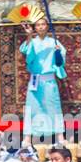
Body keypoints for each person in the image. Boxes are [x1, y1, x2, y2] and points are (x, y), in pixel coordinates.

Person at [20, 14, 67, 142]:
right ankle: (28, 137)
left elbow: (60, 61)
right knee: (33, 107)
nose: (40, 27)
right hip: (35, 79)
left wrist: (58, 52)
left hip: (49, 79)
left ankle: (59, 135)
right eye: (38, 25)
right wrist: (29, 35)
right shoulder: (32, 41)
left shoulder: (53, 42)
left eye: (43, 24)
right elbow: (26, 52)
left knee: (54, 107)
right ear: (35, 27)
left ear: (47, 27)